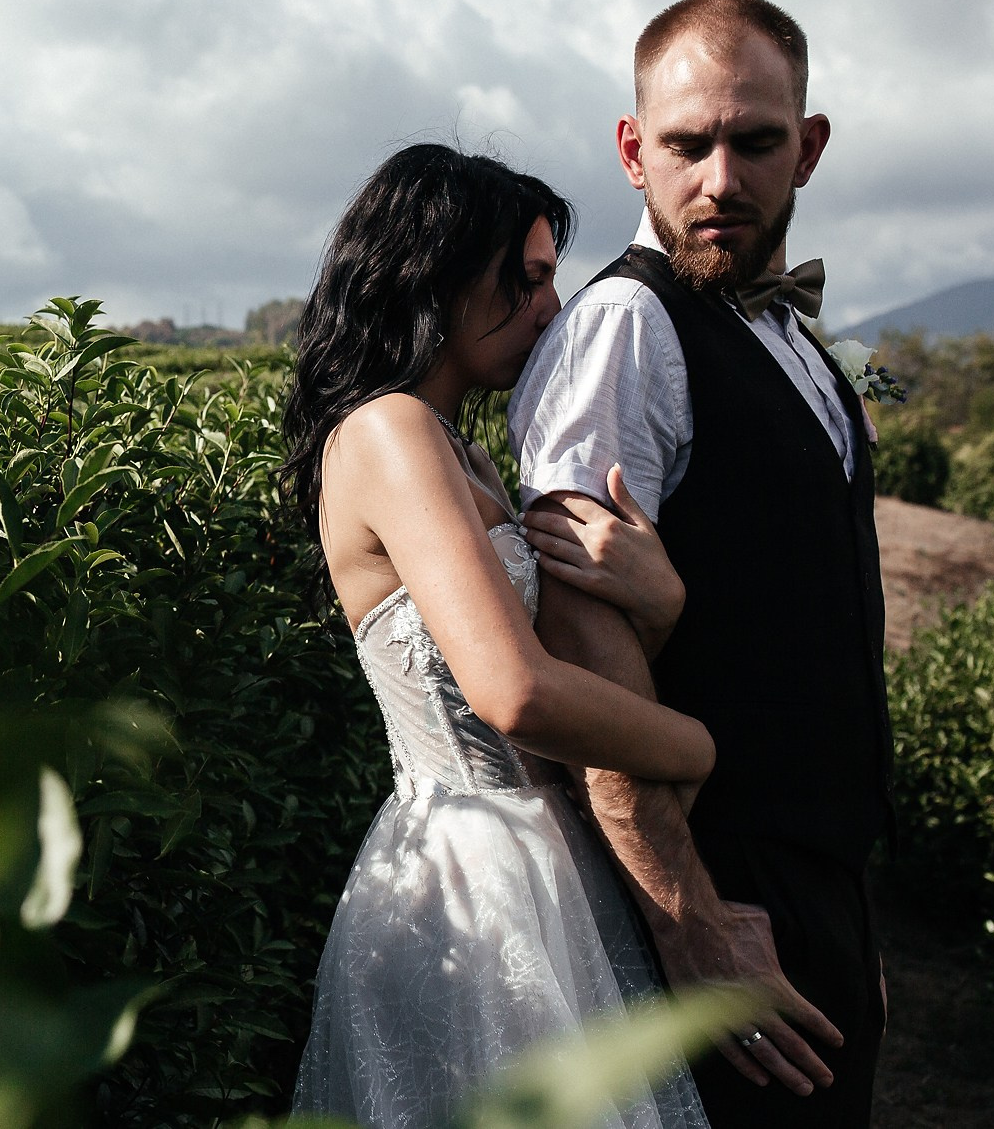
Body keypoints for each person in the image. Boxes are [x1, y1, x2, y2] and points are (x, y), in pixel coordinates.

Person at [510, 0, 890, 1128]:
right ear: (633, 151)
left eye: (755, 141)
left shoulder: (794, 339)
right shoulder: (626, 327)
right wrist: (689, 923)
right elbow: (582, 646)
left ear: (807, 148)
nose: (718, 179)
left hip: (805, 884)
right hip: (712, 889)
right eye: (686, 144)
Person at [284, 144, 713, 1129]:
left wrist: (656, 603)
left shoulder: (460, 448)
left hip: (539, 863)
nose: (549, 309)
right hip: (470, 874)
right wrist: (698, 744)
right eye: (523, 279)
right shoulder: (388, 429)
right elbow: (512, 690)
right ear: (431, 269)